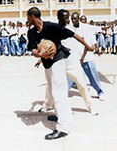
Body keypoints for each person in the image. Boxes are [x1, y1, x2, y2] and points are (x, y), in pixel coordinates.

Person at [26, 7, 94, 140]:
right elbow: (33, 49)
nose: (27, 20)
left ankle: (64, 127)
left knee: (59, 93)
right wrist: (39, 53)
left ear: (33, 16)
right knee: (52, 91)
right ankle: (59, 114)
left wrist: (88, 46)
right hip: (47, 64)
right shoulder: (32, 33)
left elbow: (73, 35)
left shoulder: (51, 27)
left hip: (58, 60)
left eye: (28, 17)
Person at [37, 9, 98, 115]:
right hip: (57, 61)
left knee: (82, 84)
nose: (67, 19)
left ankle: (90, 106)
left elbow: (81, 41)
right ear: (59, 18)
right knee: (51, 84)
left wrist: (84, 55)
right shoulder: (53, 29)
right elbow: (48, 46)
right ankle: (48, 105)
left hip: (71, 60)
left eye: (67, 17)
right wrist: (41, 58)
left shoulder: (73, 29)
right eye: (64, 18)